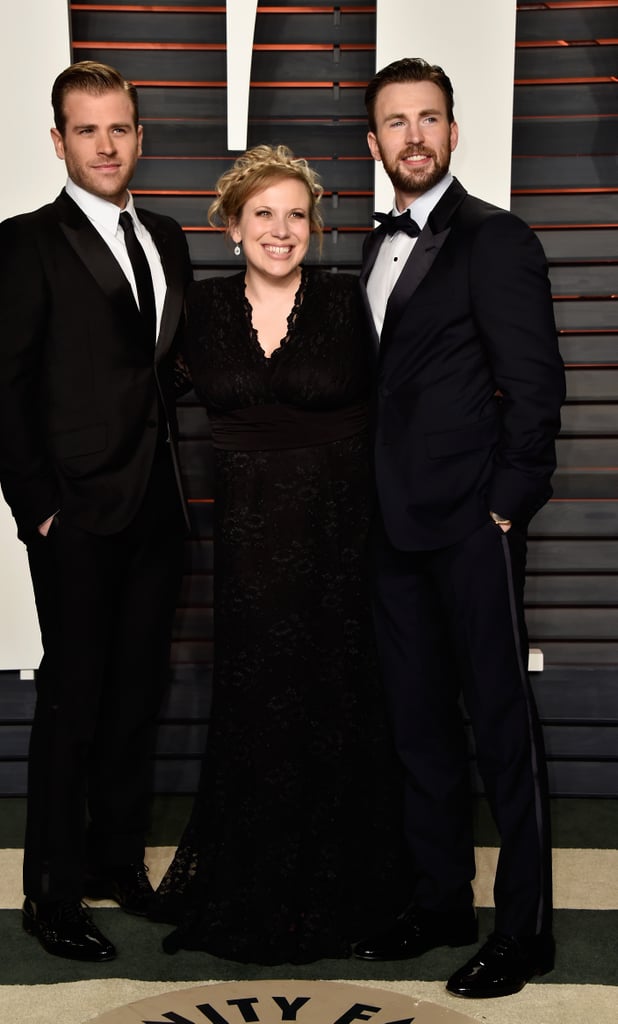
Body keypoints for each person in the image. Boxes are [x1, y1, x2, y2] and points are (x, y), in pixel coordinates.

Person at [149, 145, 398, 964]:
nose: (282, 229)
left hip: (339, 538)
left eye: (297, 214)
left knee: (337, 701)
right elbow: (132, 398)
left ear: (314, 227)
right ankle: (252, 883)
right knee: (260, 706)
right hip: (250, 546)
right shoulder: (201, 312)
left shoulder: (343, 302)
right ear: (231, 226)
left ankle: (343, 890)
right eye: (264, 214)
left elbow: (403, 401)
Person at [352, 58, 566, 999]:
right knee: (418, 726)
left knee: (500, 732)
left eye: (428, 118)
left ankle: (526, 931)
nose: (413, 136)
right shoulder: (371, 245)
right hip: (390, 531)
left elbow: (537, 388)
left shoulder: (495, 238)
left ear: (453, 131)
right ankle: (442, 900)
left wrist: (504, 507)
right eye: (395, 122)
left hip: (474, 526)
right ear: (374, 143)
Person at [0, 61, 192, 962]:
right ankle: (51, 894)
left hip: (160, 509)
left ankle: (116, 865)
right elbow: (1, 386)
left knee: (138, 696)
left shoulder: (170, 238)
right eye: (87, 129)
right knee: (73, 702)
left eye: (120, 128)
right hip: (75, 513)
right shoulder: (26, 241)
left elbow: (164, 373)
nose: (106, 145)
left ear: (140, 136)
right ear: (58, 140)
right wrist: (39, 512)